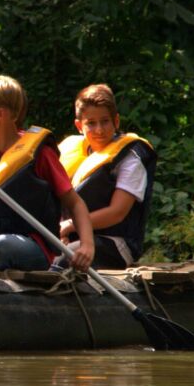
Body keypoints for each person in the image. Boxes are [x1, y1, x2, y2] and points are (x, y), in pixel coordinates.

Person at [0, 75, 95, 272]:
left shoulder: (40, 155)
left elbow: (75, 202)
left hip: (31, 246)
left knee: (2, 246)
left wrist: (87, 245)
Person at [57, 84, 156, 269]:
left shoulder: (131, 157)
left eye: (105, 121)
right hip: (72, 236)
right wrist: (59, 231)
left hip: (116, 243)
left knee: (62, 260)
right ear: (79, 126)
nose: (100, 130)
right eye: (91, 123)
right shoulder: (70, 151)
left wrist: (69, 227)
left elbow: (117, 212)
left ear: (116, 121)